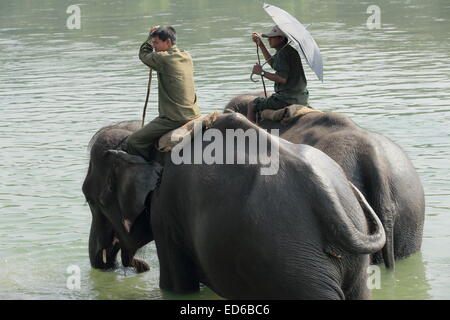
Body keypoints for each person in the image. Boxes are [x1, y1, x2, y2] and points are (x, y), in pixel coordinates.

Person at [126, 25, 201, 161]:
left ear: (168, 42)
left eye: (156, 43)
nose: (154, 46)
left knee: (134, 142)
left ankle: (149, 170)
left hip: (174, 118)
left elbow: (143, 55)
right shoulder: (186, 56)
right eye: (153, 43)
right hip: (194, 114)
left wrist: (149, 37)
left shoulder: (163, 59)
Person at [247, 25, 309, 123]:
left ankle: (252, 131)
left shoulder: (282, 53)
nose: (269, 40)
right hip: (301, 97)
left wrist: (261, 72)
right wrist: (261, 45)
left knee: (252, 104)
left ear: (281, 39)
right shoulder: (287, 50)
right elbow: (273, 64)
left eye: (272, 37)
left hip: (286, 99)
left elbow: (281, 79)